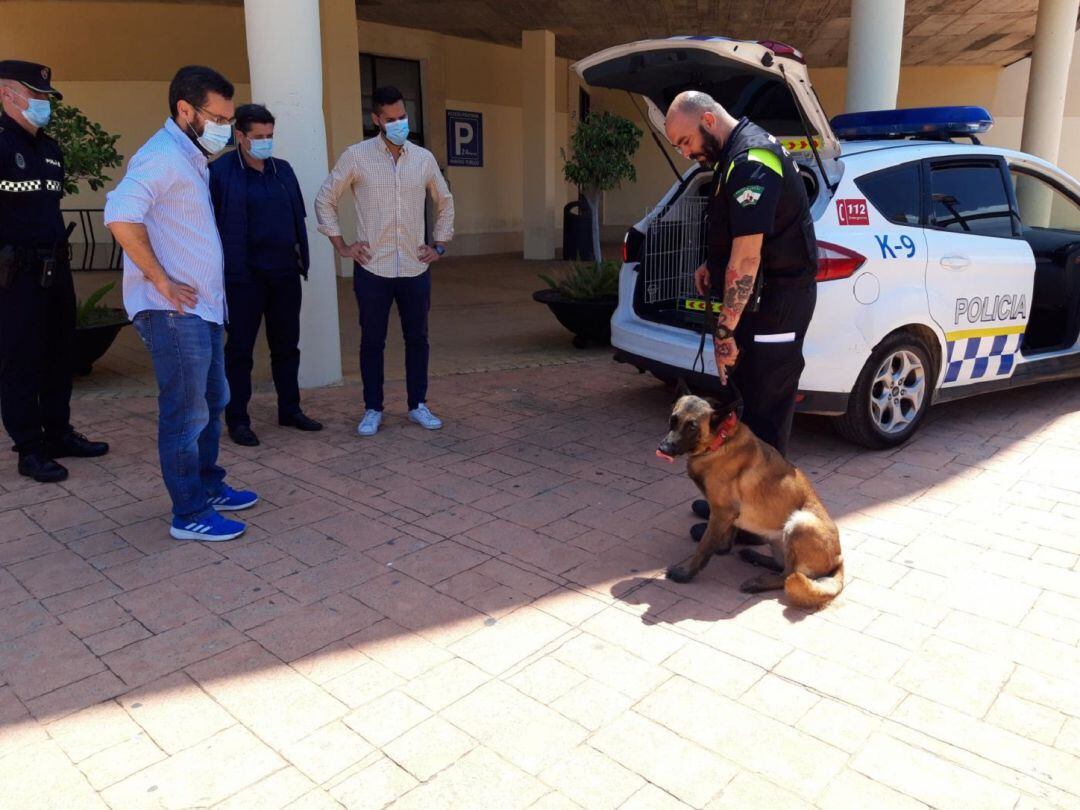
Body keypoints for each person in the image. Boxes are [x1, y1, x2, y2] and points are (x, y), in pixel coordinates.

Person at [105, 65, 258, 542]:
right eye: (218, 118)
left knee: (211, 403)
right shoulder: (162, 156)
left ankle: (207, 485)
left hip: (203, 309)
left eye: (229, 120)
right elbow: (120, 215)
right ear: (185, 110)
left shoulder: (191, 157)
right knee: (186, 413)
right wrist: (163, 282)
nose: (225, 129)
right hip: (173, 313)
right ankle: (189, 512)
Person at [664, 91, 818, 540]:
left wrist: (725, 330)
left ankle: (755, 522)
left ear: (709, 120)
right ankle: (729, 503)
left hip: (776, 307)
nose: (685, 152)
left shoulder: (752, 161)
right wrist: (712, 264)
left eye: (685, 141)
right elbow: (736, 233)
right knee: (743, 408)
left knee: (766, 417)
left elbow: (748, 258)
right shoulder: (732, 157)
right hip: (759, 303)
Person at [315, 85, 454, 437]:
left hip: (414, 267)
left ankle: (417, 404)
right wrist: (342, 246)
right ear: (376, 119)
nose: (399, 124)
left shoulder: (422, 158)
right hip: (373, 268)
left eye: (403, 117)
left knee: (418, 338)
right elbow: (325, 199)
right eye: (390, 119)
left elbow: (445, 201)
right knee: (372, 341)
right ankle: (372, 408)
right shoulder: (356, 156)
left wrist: (439, 246)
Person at [0, 60, 108, 483]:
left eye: (46, 96)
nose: (44, 102)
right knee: (21, 360)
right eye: (36, 95)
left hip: (54, 269)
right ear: (7, 94)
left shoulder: (50, 149)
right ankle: (29, 448)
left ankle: (58, 433)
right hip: (14, 275)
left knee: (59, 355)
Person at [209, 103, 322, 447]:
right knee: (239, 351)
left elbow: (297, 217)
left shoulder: (282, 170)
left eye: (270, 135)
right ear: (239, 136)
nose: (265, 142)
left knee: (286, 347)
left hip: (284, 274)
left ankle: (290, 409)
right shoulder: (220, 172)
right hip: (243, 278)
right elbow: (209, 224)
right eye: (258, 136)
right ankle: (238, 419)